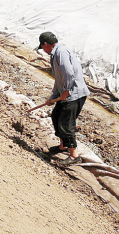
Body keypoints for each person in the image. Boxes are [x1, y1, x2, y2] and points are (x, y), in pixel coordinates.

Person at [38, 32, 90, 167]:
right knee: (56, 116)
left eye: (42, 47)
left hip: (74, 94)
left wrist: (66, 91)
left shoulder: (61, 52)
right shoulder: (55, 54)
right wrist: (54, 96)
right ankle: (63, 147)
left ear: (45, 44)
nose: (43, 50)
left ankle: (74, 156)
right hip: (65, 94)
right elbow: (59, 78)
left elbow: (68, 73)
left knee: (66, 124)